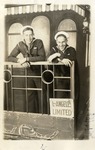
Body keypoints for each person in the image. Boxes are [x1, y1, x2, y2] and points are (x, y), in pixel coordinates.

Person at [7, 25, 46, 113]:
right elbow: (10, 57)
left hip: (39, 72)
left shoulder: (38, 42)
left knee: (42, 94)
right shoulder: (20, 44)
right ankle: (32, 115)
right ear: (23, 36)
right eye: (26, 35)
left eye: (30, 35)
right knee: (30, 95)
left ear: (33, 35)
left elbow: (42, 57)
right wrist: (20, 61)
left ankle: (44, 116)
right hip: (28, 73)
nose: (29, 37)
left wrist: (26, 59)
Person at [47, 31, 80, 125]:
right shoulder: (53, 49)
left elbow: (72, 57)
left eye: (63, 42)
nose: (61, 44)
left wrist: (57, 57)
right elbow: (49, 58)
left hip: (71, 78)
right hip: (59, 79)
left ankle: (71, 122)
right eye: (59, 42)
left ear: (66, 41)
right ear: (56, 42)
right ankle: (60, 123)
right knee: (59, 100)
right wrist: (61, 57)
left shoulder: (71, 49)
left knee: (71, 98)